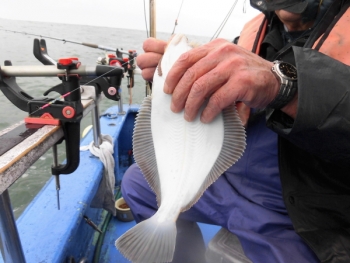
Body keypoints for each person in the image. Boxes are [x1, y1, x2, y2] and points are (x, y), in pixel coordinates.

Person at [121, 0, 350, 262]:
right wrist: (188, 75)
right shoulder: (253, 34)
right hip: (229, 182)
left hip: (299, 207)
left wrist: (284, 86)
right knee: (138, 185)